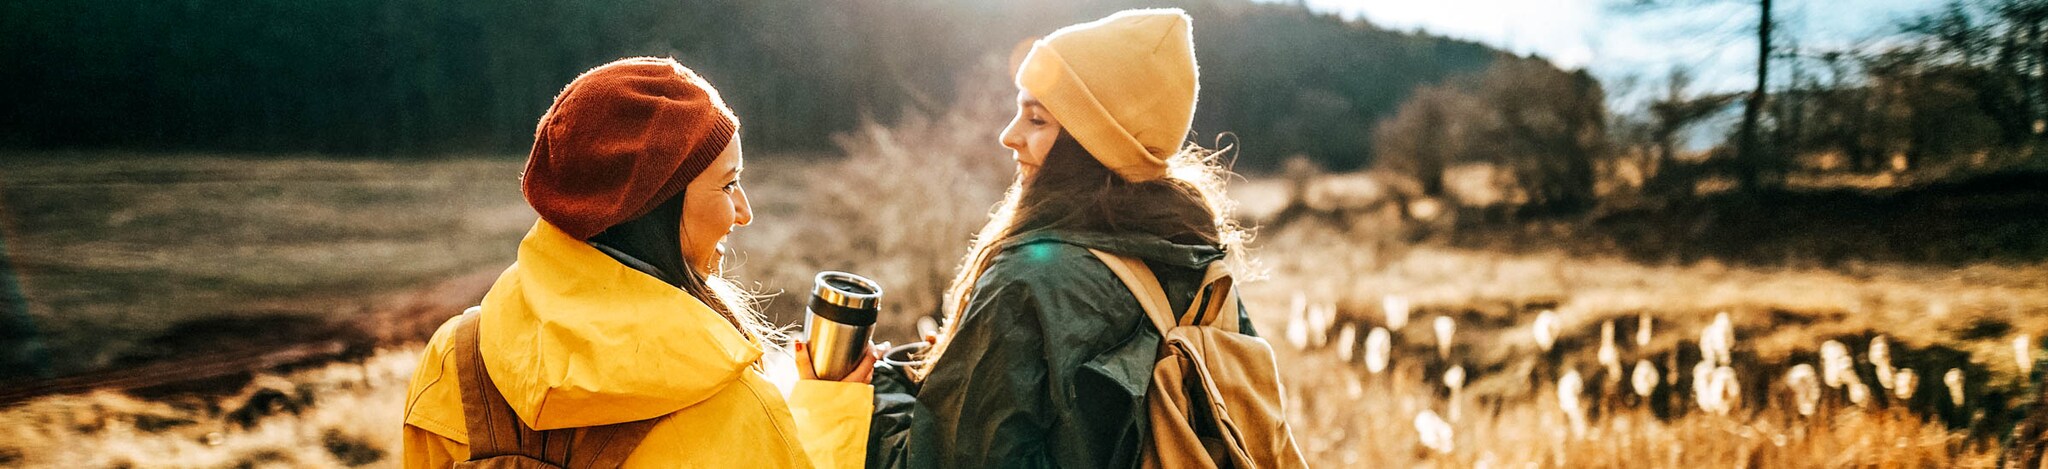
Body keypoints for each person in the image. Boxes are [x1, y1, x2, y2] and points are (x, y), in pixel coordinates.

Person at [401, 56, 881, 468]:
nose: (744, 212)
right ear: (654, 206)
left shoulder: (452, 360)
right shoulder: (738, 409)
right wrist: (829, 408)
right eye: (729, 184)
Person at [866, 9, 1259, 468]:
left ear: (1094, 142)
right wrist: (956, 370)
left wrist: (871, 389)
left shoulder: (1026, 281)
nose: (1007, 136)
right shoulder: (1202, 265)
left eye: (1037, 120)